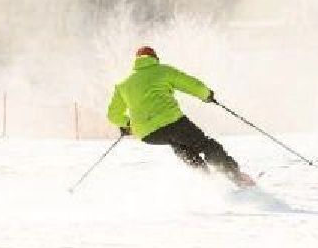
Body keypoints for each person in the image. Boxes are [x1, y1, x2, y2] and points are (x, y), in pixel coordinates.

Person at [107, 46, 254, 188]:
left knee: (180, 146)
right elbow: (190, 84)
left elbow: (113, 115)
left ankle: (206, 181)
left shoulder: (123, 85)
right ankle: (236, 176)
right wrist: (206, 94)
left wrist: (127, 124)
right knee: (205, 144)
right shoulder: (163, 70)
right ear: (155, 58)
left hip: (148, 135)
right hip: (172, 122)